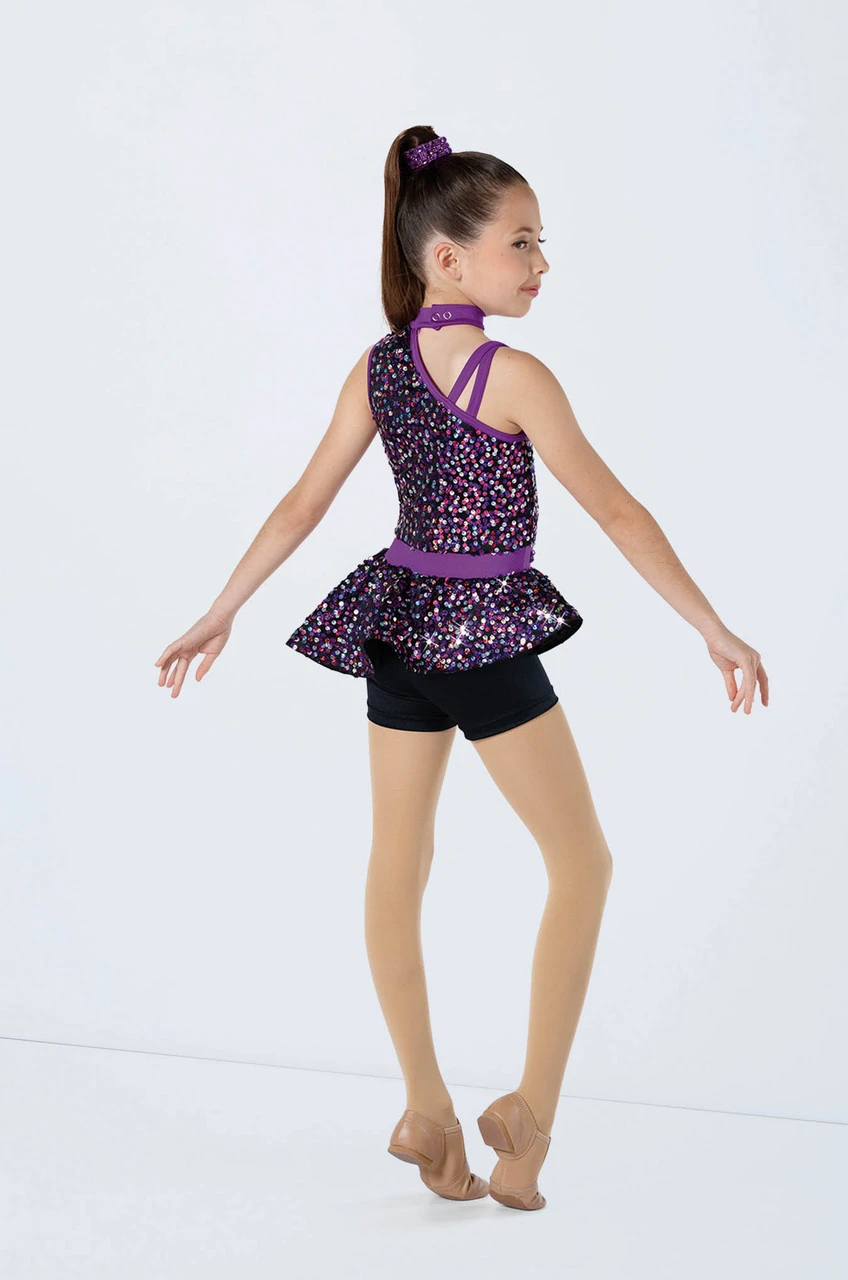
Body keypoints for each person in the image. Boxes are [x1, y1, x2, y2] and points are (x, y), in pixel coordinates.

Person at [154, 126, 769, 1211]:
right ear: (448, 258)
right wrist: (711, 625)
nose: (540, 263)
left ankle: (426, 1109)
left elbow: (301, 504)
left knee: (398, 861)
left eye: (542, 241)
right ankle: (528, 1111)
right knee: (581, 863)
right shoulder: (512, 375)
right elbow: (618, 511)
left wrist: (222, 609)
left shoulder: (381, 369)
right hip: (479, 635)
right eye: (521, 242)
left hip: (395, 625)